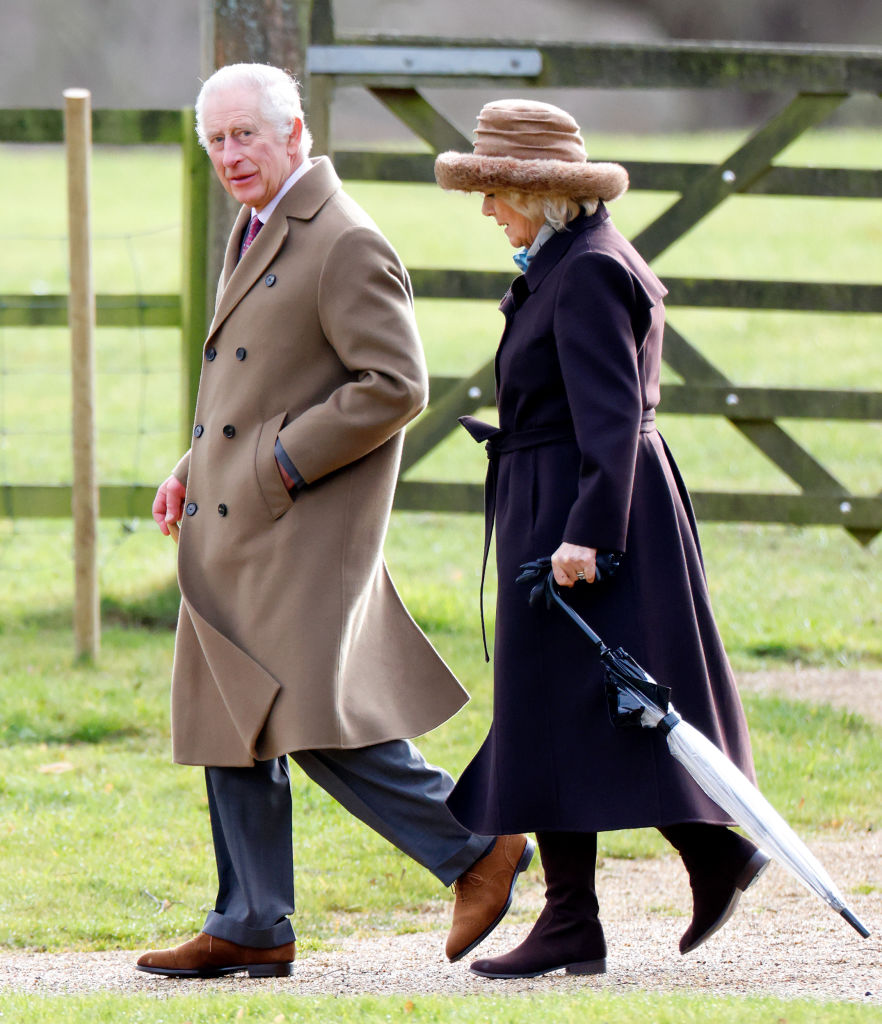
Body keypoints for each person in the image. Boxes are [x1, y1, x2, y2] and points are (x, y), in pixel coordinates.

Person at [138, 65, 534, 979]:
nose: (231, 154)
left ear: (294, 134)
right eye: (217, 140)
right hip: (237, 517)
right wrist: (194, 464)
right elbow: (256, 380)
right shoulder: (256, 226)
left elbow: (395, 385)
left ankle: (477, 849)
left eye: (246, 135)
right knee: (231, 709)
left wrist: (277, 462)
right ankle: (249, 919)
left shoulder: (343, 239)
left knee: (304, 717)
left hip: (300, 524)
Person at [433, 99, 769, 980]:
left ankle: (582, 917)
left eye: (495, 190)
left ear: (540, 194)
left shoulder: (584, 272)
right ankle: (697, 865)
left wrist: (585, 537)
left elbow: (613, 419)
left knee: (572, 703)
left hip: (582, 509)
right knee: (588, 705)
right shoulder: (568, 260)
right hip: (565, 497)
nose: (486, 209)